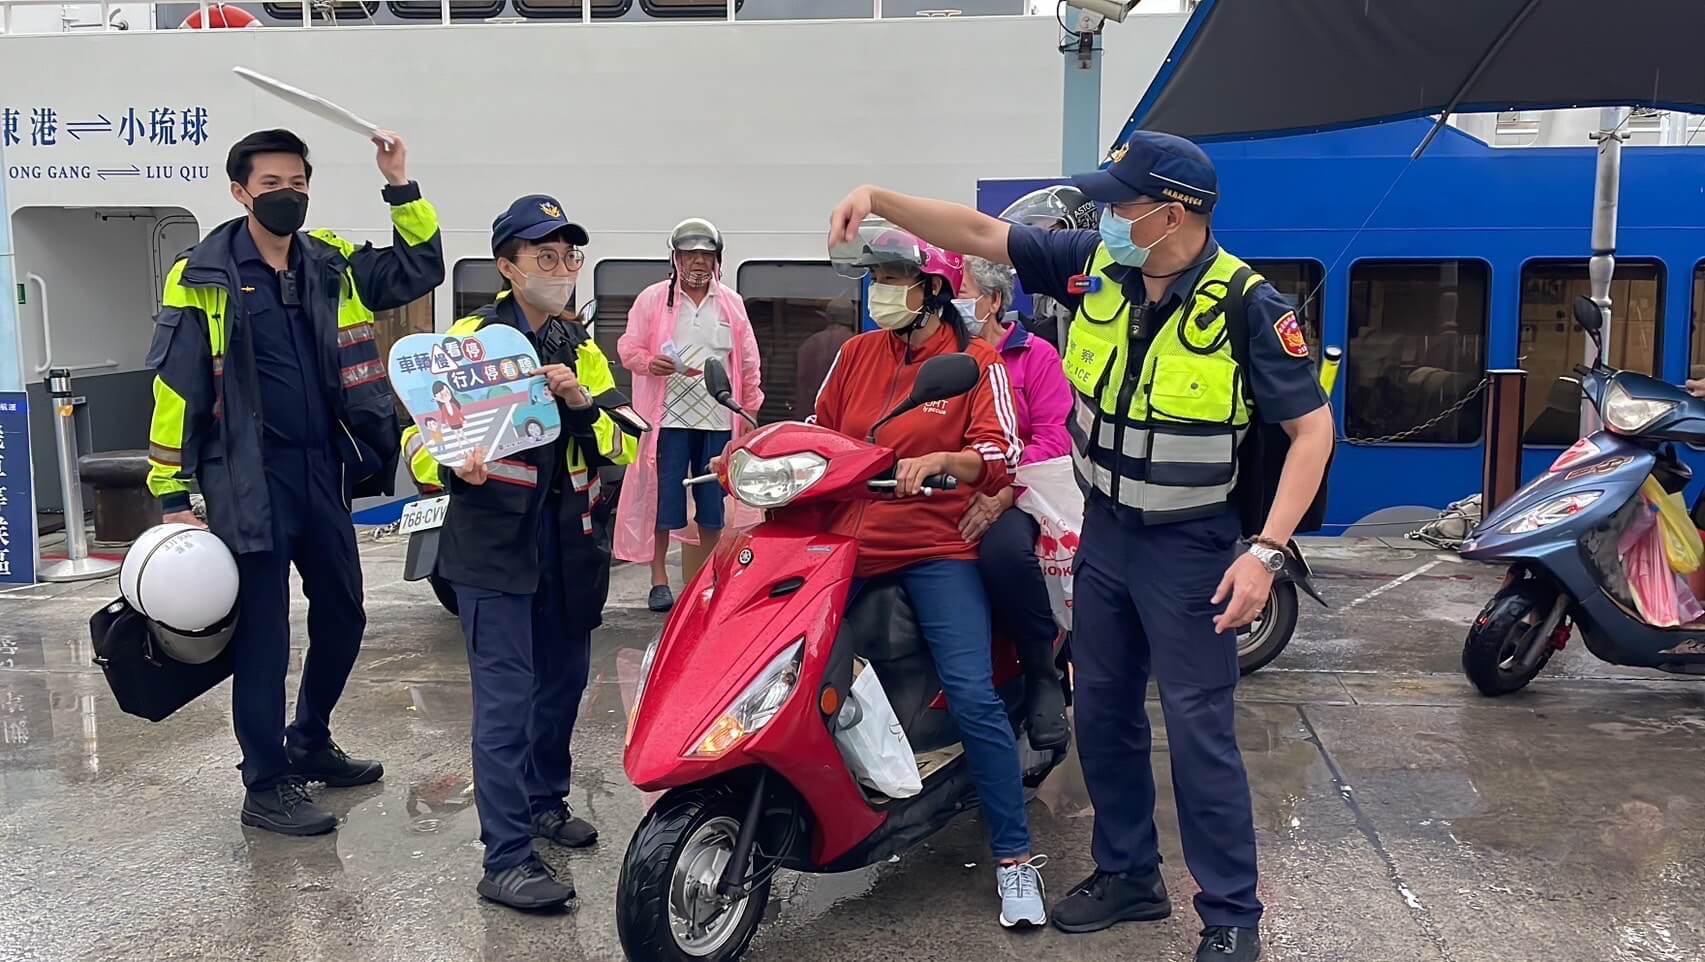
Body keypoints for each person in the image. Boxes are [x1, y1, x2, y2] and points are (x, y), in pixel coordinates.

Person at [828, 131, 1334, 962]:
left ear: (1170, 214)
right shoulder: (1095, 268)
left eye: (1120, 204)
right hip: (1107, 535)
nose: (1105, 218)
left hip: (1192, 547)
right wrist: (881, 198)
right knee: (1100, 714)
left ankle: (1231, 913)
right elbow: (982, 235)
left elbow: (1310, 434)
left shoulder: (1250, 306)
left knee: (1199, 730)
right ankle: (1128, 874)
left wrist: (1266, 551)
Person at [145, 128, 443, 836]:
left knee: (344, 611)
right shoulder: (202, 272)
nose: (288, 195)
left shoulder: (328, 260)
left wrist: (399, 182)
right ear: (239, 191)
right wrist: (168, 492)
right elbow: (177, 385)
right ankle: (265, 782)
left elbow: (417, 269)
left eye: (298, 182)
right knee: (264, 636)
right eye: (272, 184)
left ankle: (309, 738)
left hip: (322, 465)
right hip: (247, 475)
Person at [406, 194, 638, 910]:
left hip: (568, 544)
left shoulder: (581, 346)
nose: (561, 267)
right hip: (492, 545)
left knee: (563, 686)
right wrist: (451, 463)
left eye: (569, 255)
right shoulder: (469, 342)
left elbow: (627, 442)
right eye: (544, 255)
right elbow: (417, 442)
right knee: (505, 703)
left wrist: (580, 405)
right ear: (507, 265)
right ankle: (504, 857)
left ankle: (544, 801)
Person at [812, 228, 1048, 930]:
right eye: (875, 276)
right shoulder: (855, 354)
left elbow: (998, 454)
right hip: (844, 542)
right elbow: (820, 429)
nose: (879, 289)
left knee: (972, 693)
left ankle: (1013, 861)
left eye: (893, 277)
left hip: (932, 545)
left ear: (934, 290)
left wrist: (947, 460)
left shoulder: (976, 365)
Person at [952, 255, 1074, 750]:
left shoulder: (1035, 355)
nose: (953, 302)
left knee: (1003, 555)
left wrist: (1005, 490)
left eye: (963, 292)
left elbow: (1053, 438)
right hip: (951, 486)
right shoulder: (946, 356)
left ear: (994, 300)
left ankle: (1043, 673)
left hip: (1018, 492)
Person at [614, 217, 763, 612]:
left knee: (713, 502)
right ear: (675, 259)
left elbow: (747, 359)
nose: (697, 263)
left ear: (717, 260)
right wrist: (649, 362)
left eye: (705, 255)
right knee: (666, 500)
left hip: (717, 418)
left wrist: (747, 408)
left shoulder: (731, 303)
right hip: (669, 418)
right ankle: (659, 579)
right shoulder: (651, 299)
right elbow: (627, 348)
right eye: (689, 255)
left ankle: (708, 578)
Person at [996, 184, 1098, 350]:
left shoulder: (1090, 281)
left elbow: (1063, 332)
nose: (1043, 239)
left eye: (1050, 232)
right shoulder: (1047, 276)